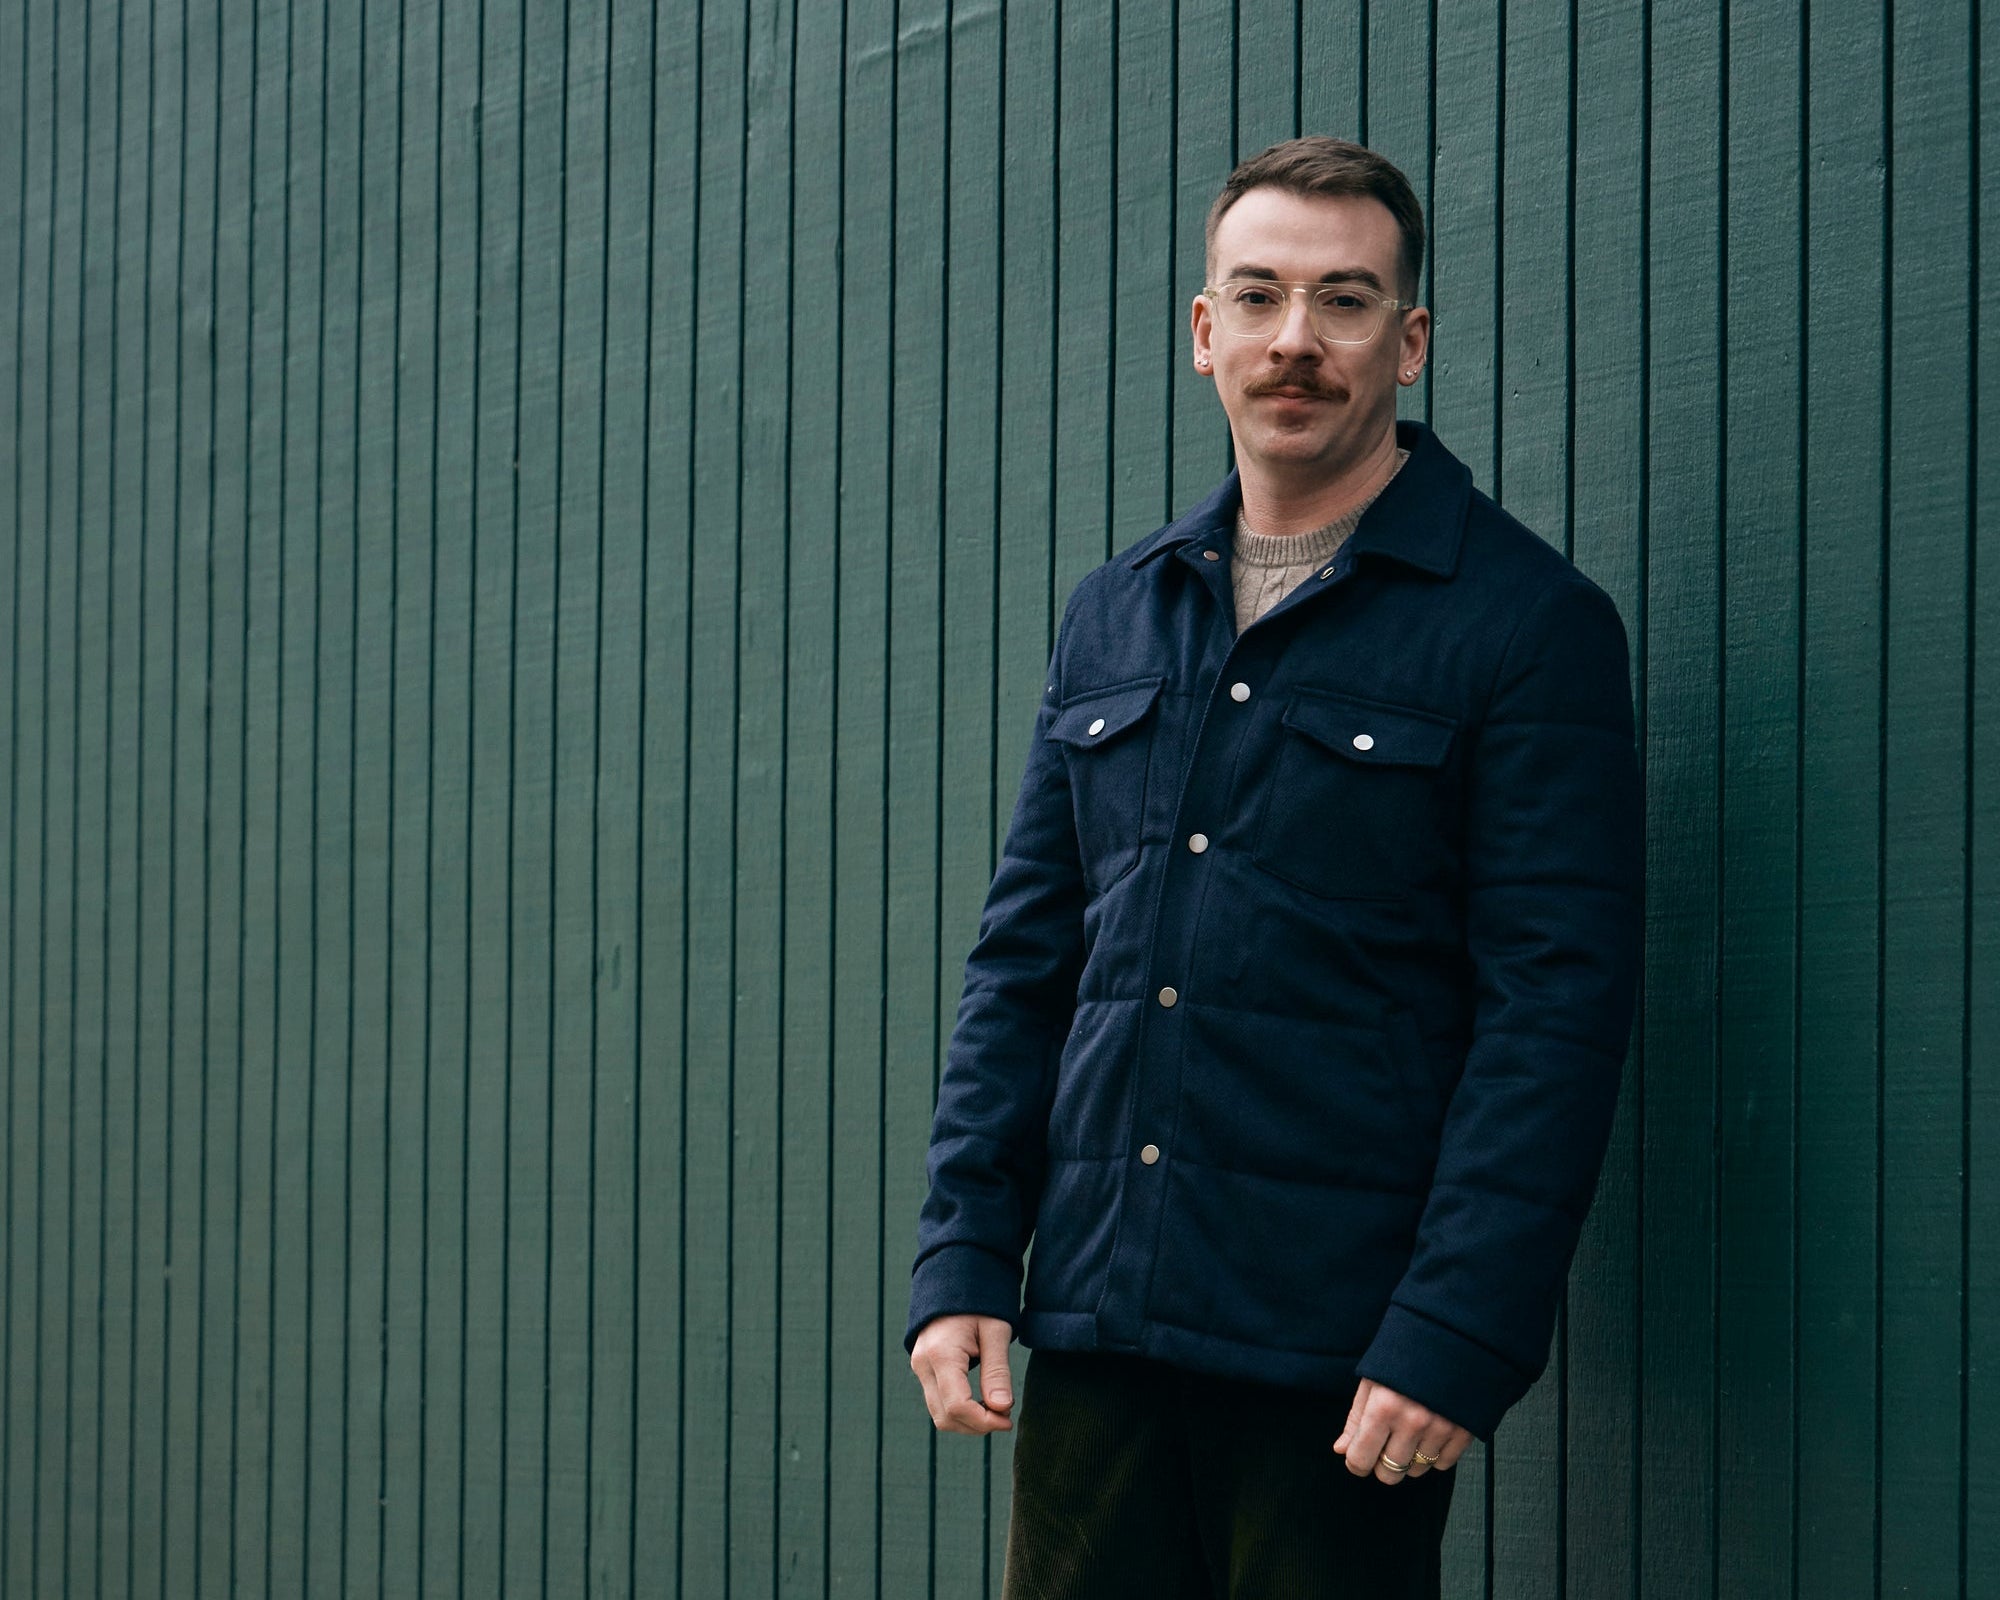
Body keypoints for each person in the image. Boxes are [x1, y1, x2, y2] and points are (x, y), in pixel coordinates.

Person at [904, 136, 1644, 1598]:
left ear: (1410, 341)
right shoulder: (1113, 614)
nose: (1295, 339)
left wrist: (1455, 1333)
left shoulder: (1526, 623)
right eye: (1258, 296)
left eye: (1345, 301)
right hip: (1099, 1334)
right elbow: (1026, 966)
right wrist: (965, 1257)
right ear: (1204, 331)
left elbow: (1553, 1018)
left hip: (1344, 1370)